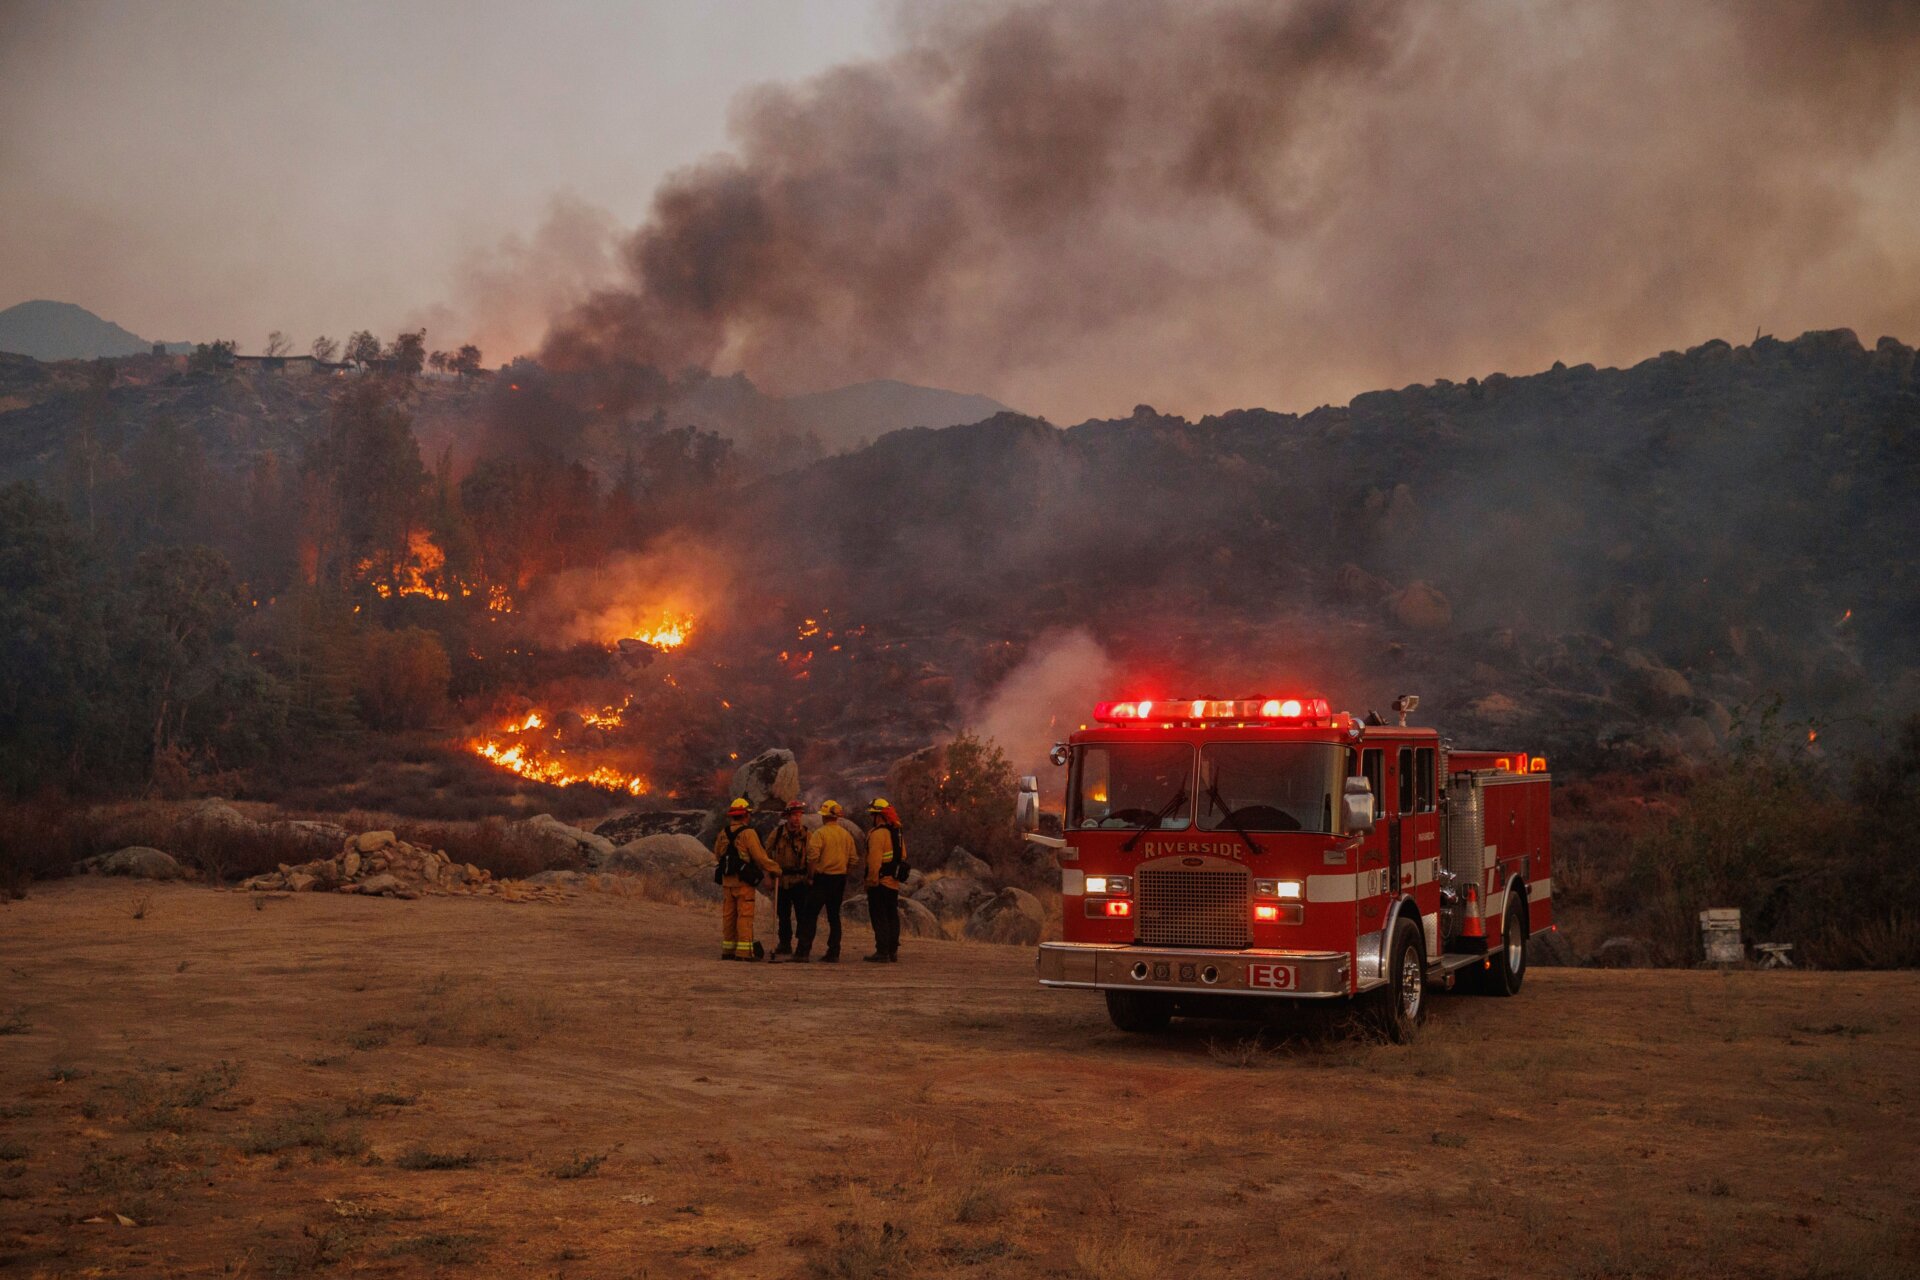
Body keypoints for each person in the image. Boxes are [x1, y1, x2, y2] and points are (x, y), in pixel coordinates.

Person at [713, 798, 780, 961]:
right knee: (745, 916)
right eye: (748, 814)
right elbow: (759, 857)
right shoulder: (748, 833)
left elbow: (717, 854)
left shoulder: (723, 833)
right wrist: (775, 869)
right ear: (745, 815)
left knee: (729, 917)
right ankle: (743, 953)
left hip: (728, 882)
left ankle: (728, 951)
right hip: (743, 883)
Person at [795, 800, 857, 963]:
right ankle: (834, 951)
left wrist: (810, 876)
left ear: (824, 817)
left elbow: (812, 858)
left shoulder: (820, 834)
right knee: (834, 917)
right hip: (839, 879)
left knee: (810, 915)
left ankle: (803, 952)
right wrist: (844, 873)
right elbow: (853, 859)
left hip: (822, 879)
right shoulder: (846, 835)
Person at [763, 801, 812, 957]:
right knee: (783, 916)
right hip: (781, 881)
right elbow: (765, 856)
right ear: (787, 817)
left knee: (803, 915)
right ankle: (784, 944)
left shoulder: (807, 835)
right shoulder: (776, 834)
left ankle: (802, 947)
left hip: (800, 880)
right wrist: (767, 877)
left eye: (799, 815)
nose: (797, 818)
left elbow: (812, 858)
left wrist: (811, 877)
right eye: (794, 815)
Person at [863, 797, 907, 963]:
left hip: (879, 883)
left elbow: (874, 862)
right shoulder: (897, 833)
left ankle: (882, 951)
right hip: (893, 883)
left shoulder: (877, 835)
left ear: (879, 816)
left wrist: (870, 881)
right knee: (892, 916)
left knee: (879, 916)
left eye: (872, 815)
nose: (871, 818)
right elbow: (903, 856)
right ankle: (892, 950)